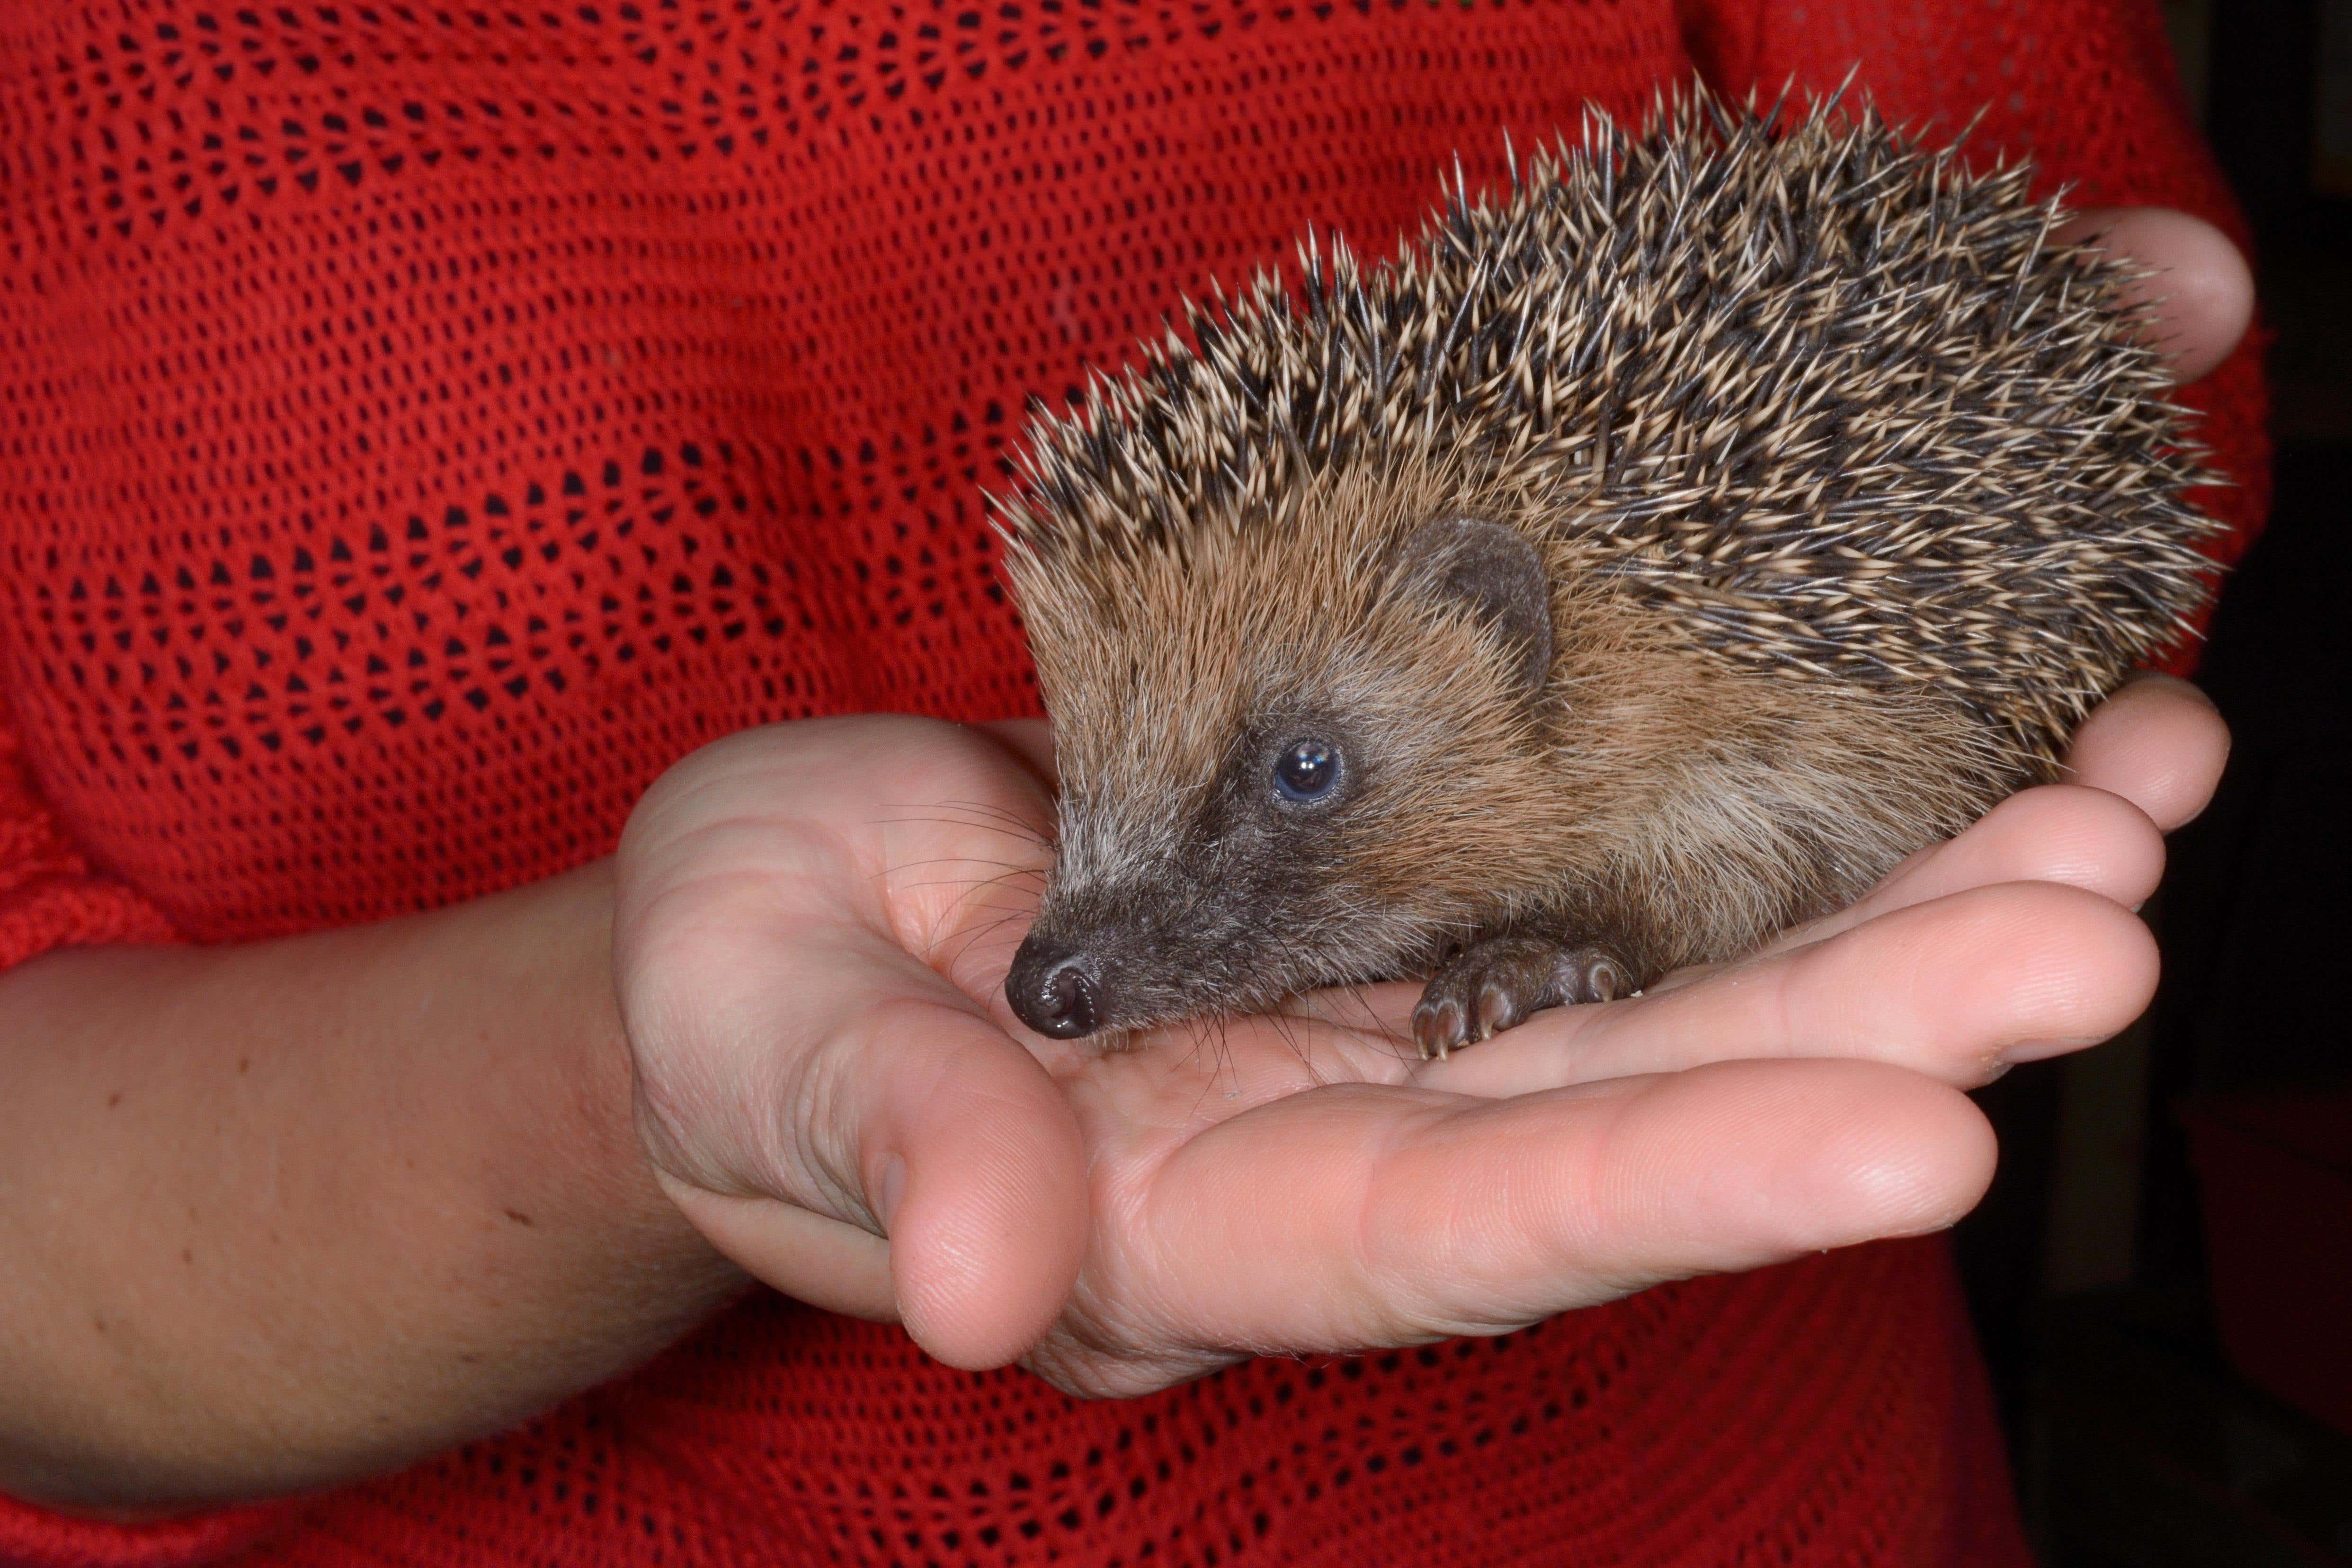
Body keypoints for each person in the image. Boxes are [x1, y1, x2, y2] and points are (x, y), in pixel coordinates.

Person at [0, 0, 2262, 1561]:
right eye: (1107, 787)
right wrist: (634, 1078)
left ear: (1519, 637)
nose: (1082, 955)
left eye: (1294, 772)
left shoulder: (1758, 658)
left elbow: (2107, 453)